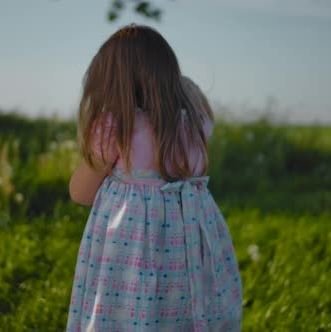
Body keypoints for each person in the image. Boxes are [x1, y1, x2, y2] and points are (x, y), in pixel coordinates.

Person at [66, 24, 243, 331]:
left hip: (132, 259)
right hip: (187, 257)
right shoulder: (192, 125)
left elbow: (80, 192)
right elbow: (198, 102)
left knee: (135, 314)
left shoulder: (116, 128)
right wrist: (179, 87)